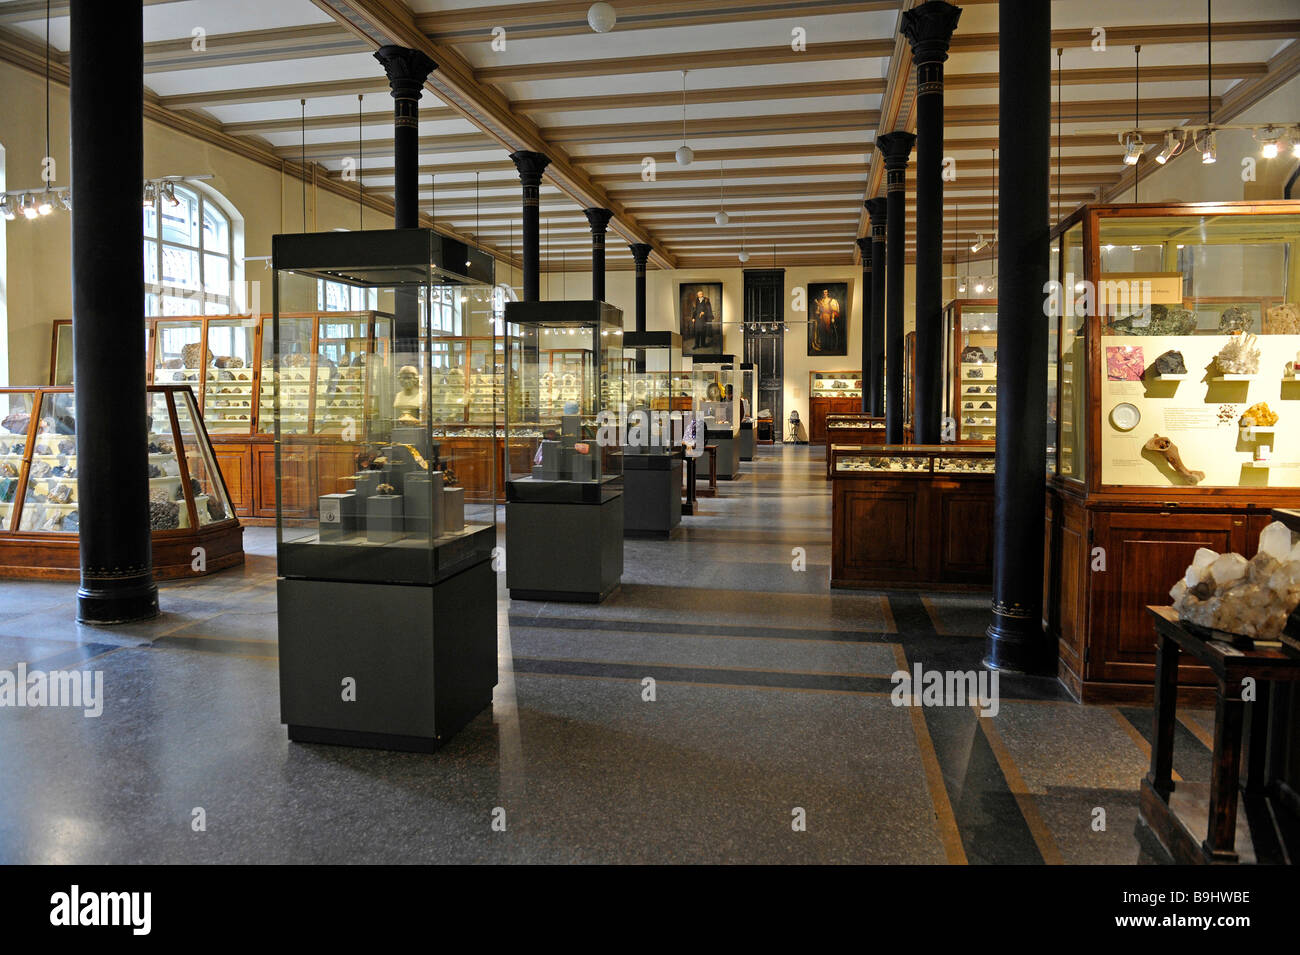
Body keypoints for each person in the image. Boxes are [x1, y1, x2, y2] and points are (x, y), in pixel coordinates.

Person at [811, 288, 841, 353]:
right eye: (823, 292)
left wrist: (832, 318)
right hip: (822, 317)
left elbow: (834, 310)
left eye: (825, 292)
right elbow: (818, 311)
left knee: (829, 331)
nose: (824, 293)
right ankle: (823, 347)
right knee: (822, 331)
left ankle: (830, 347)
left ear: (827, 293)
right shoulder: (820, 301)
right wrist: (818, 311)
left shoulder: (831, 300)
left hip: (828, 316)